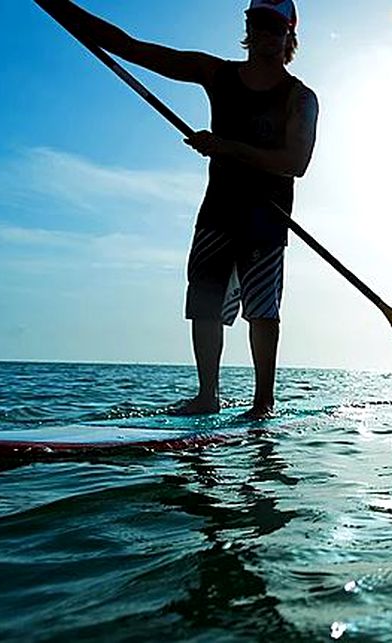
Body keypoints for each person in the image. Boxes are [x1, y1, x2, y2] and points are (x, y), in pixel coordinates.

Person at [37, 0, 320, 419]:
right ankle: (208, 397)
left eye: (275, 26)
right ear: (247, 25)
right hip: (218, 211)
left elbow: (296, 162)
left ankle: (263, 404)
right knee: (204, 302)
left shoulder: (300, 97)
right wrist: (61, 9)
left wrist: (227, 147)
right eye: (258, 23)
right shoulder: (216, 74)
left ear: (289, 34)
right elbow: (132, 48)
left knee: (262, 311)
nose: (265, 33)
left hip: (267, 218)